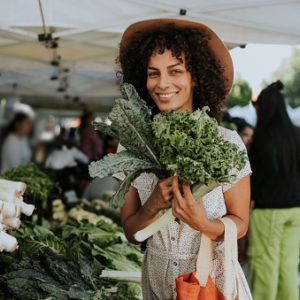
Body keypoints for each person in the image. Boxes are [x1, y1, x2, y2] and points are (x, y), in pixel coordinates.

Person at [113, 19, 252, 299]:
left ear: (196, 76)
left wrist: (205, 225)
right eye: (153, 73)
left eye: (175, 71)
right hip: (156, 281)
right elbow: (131, 231)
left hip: (211, 282)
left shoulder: (226, 142)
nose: (162, 84)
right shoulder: (130, 146)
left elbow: (240, 223)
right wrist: (152, 204)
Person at [248, 81, 300, 300]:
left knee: (264, 263)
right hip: (296, 209)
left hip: (269, 209)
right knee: (288, 265)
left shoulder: (263, 136)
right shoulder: (296, 134)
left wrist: (252, 196)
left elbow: (267, 170)